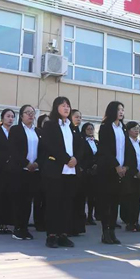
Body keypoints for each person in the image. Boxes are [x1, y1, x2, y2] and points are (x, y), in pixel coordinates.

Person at [42, 97, 83, 248]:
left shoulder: (72, 126)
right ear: (56, 107)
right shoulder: (50, 125)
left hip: (71, 170)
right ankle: (52, 235)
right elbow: (50, 145)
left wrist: (76, 159)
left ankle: (63, 234)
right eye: (63, 105)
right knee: (54, 203)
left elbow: (80, 145)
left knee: (67, 204)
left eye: (68, 106)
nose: (66, 108)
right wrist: (66, 159)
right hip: (56, 170)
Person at [97, 101, 136, 245]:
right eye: (119, 109)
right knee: (106, 203)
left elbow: (128, 149)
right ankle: (105, 232)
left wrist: (126, 166)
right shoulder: (105, 127)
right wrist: (115, 165)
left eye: (123, 109)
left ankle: (112, 231)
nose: (121, 112)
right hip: (108, 170)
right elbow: (105, 149)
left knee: (115, 203)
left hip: (121, 171)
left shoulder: (123, 128)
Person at [9, 104, 42, 241]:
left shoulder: (38, 131)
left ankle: (25, 228)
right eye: (27, 112)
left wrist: (37, 163)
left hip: (34, 171)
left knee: (28, 201)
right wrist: (26, 163)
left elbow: (43, 150)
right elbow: (14, 150)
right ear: (21, 115)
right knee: (19, 201)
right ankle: (18, 228)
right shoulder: (16, 130)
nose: (31, 115)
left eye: (32, 112)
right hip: (20, 170)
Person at [0, 109, 15, 235]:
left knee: (9, 197)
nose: (10, 119)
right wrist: (5, 159)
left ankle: (7, 223)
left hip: (12, 170)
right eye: (8, 116)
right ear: (2, 118)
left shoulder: (15, 133)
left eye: (12, 116)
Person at [122, 121, 140, 232]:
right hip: (130, 175)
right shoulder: (125, 143)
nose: (136, 130)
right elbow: (128, 160)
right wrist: (135, 172)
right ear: (128, 130)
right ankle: (129, 222)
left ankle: (135, 221)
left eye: (138, 128)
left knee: (137, 199)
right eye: (134, 128)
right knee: (129, 199)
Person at [69, 109, 86, 236]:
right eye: (76, 117)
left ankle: (77, 227)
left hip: (79, 169)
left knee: (79, 199)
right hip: (70, 166)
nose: (79, 119)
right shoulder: (68, 131)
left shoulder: (79, 133)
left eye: (80, 117)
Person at [80, 122, 99, 226]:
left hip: (95, 172)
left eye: (92, 129)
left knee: (93, 195)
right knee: (84, 195)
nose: (90, 131)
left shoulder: (96, 142)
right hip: (86, 171)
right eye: (88, 129)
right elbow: (82, 156)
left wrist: (96, 164)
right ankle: (82, 216)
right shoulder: (82, 142)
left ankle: (91, 215)